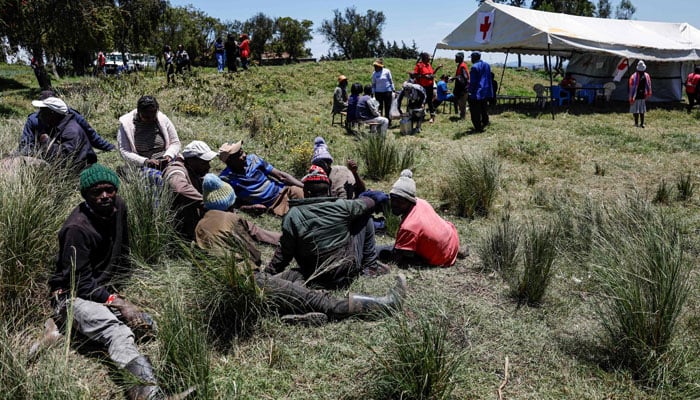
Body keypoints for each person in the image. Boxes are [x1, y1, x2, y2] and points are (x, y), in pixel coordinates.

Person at [47, 164, 191, 399]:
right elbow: (80, 283)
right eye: (96, 192)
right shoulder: (76, 229)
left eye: (109, 190)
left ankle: (67, 329)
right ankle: (147, 393)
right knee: (118, 332)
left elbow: (123, 249)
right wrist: (117, 302)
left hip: (102, 289)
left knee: (147, 325)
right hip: (71, 295)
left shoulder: (118, 206)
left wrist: (119, 293)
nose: (104, 196)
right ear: (85, 196)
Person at [196, 173, 406, 325]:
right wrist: (264, 273)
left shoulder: (201, 225)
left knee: (295, 279)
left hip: (232, 286)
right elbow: (254, 255)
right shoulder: (232, 218)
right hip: (248, 282)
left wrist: (271, 272)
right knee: (320, 299)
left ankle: (294, 315)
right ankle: (381, 306)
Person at [265, 166, 390, 289]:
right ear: (329, 191)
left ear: (306, 192)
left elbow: (284, 254)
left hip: (314, 274)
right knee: (364, 215)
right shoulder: (342, 206)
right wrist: (365, 197)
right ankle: (370, 267)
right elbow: (370, 203)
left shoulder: (293, 215)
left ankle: (368, 266)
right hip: (344, 271)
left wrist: (267, 274)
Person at [376, 169, 465, 267]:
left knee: (382, 251)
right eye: (393, 199)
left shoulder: (408, 226)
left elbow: (396, 259)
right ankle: (454, 250)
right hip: (451, 239)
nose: (394, 204)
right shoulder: (421, 202)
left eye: (400, 201)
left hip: (441, 257)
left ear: (409, 201)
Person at [218, 141, 304, 216]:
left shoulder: (253, 160)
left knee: (312, 200)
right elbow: (233, 203)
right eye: (239, 155)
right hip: (274, 204)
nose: (244, 155)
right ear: (229, 161)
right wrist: (249, 208)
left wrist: (304, 186)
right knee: (302, 215)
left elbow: (281, 176)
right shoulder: (226, 179)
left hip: (286, 190)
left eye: (242, 151)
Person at [20, 90, 115, 156]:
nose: (42, 114)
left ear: (53, 111)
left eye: (45, 110)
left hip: (67, 152)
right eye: (42, 109)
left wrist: (109, 147)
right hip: (42, 153)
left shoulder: (70, 116)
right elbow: (25, 144)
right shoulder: (33, 120)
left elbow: (90, 134)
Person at [163, 140, 219, 240]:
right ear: (192, 160)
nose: (208, 167)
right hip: (178, 228)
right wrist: (205, 203)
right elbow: (179, 188)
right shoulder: (176, 171)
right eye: (204, 163)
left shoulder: (193, 171)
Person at [117, 95, 181, 183]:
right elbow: (124, 151)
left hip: (165, 162)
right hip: (142, 166)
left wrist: (169, 155)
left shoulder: (162, 119)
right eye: (146, 117)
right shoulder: (127, 124)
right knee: (157, 178)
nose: (150, 119)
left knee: (178, 175)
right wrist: (146, 161)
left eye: (153, 116)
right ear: (139, 112)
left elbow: (175, 142)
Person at [27, 96, 96, 171]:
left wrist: (46, 141)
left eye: (43, 112)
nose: (39, 115)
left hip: (79, 173)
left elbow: (63, 159)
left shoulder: (71, 131)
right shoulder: (58, 127)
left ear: (52, 113)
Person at [413, 52, 442, 123]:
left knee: (429, 101)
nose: (429, 59)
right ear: (424, 58)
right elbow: (415, 75)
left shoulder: (428, 65)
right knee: (421, 101)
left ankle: (432, 116)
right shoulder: (419, 65)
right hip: (422, 86)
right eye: (428, 57)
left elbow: (432, 73)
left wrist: (437, 69)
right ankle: (419, 116)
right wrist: (424, 76)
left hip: (429, 86)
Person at [468, 52, 493, 133]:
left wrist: (470, 91)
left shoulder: (474, 67)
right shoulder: (487, 65)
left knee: (475, 111)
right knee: (484, 109)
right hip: (485, 91)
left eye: (471, 58)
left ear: (474, 58)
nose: (471, 60)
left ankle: (478, 128)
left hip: (477, 92)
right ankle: (485, 122)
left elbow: (473, 82)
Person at [628, 60, 652, 128]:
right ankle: (636, 123)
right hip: (635, 95)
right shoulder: (634, 76)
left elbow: (649, 85)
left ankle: (641, 123)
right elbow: (631, 86)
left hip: (642, 95)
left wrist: (647, 92)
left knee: (641, 110)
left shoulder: (646, 76)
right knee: (635, 110)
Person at [453, 52, 470, 119]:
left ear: (460, 58)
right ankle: (462, 116)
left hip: (463, 88)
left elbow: (465, 77)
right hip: (461, 87)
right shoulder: (460, 65)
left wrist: (455, 78)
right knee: (460, 102)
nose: (455, 59)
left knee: (462, 103)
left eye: (456, 58)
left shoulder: (462, 66)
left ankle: (462, 117)